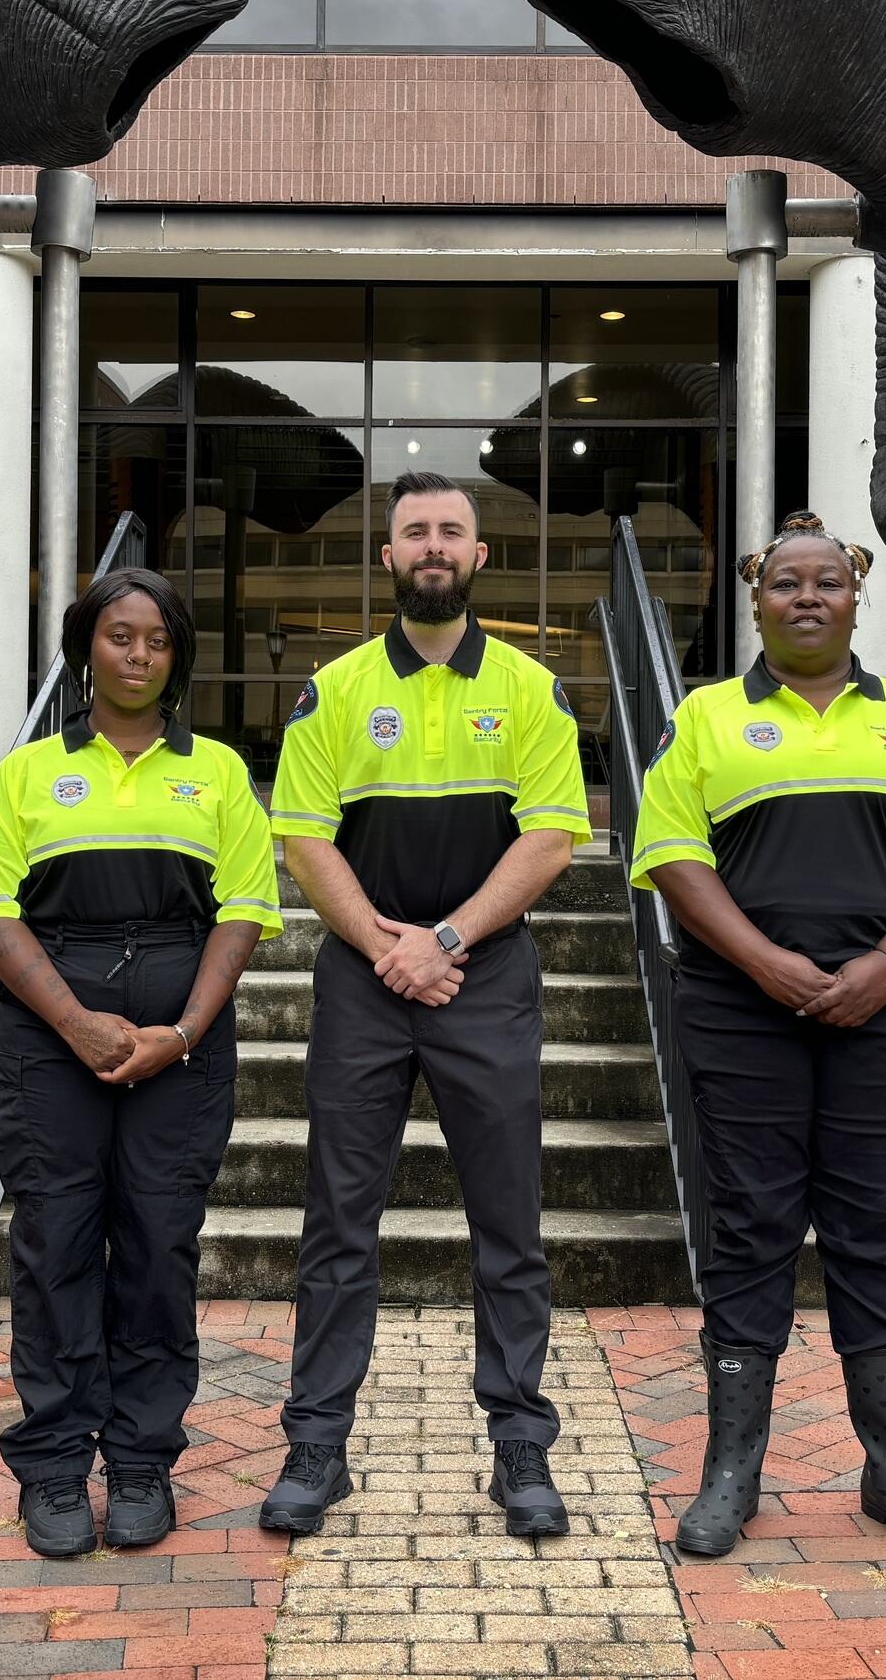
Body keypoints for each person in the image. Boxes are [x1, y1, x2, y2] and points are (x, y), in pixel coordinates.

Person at [631, 511, 886, 1564]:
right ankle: (731, 1474)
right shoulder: (703, 718)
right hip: (742, 1012)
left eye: (825, 582)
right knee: (748, 1231)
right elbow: (670, 853)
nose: (805, 597)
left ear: (854, 597)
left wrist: (885, 966)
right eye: (784, 582)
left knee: (876, 1231)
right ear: (756, 600)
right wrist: (765, 963)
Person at [258, 471, 592, 1539]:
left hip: (481, 975)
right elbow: (303, 833)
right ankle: (317, 1442)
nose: (434, 546)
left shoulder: (532, 689)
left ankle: (521, 1445)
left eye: (452, 531)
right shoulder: (337, 688)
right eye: (415, 533)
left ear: (480, 556)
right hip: (363, 976)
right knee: (337, 1224)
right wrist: (388, 948)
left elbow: (551, 834)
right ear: (388, 557)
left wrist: (443, 942)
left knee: (508, 1222)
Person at [0, 566, 280, 1557]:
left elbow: (244, 914)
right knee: (55, 1248)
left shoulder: (218, 773)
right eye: (118, 637)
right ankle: (53, 1469)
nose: (137, 656)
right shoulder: (25, 774)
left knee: (155, 1249)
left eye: (157, 641)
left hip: (181, 1049)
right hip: (51, 1044)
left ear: (177, 656)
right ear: (84, 648)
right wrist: (80, 1025)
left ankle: (141, 1461)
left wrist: (176, 1034)